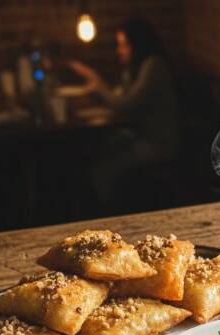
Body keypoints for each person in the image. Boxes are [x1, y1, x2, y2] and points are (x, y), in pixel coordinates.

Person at [69, 18, 178, 203]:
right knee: (105, 149)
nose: (120, 51)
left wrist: (97, 84)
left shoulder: (153, 66)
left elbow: (125, 104)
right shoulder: (138, 67)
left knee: (102, 170)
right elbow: (122, 97)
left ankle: (106, 212)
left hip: (158, 143)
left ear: (138, 44)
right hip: (141, 137)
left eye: (124, 45)